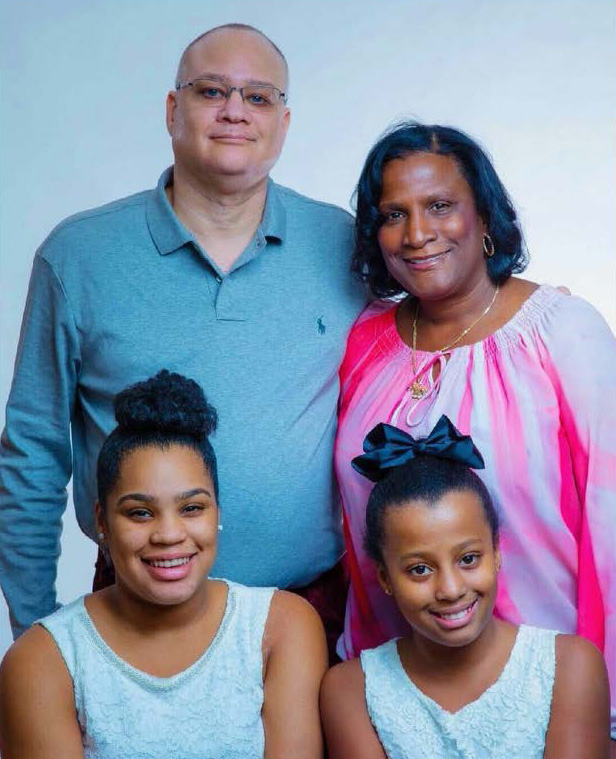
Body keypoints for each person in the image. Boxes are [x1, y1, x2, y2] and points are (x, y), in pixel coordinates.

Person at [0, 23, 366, 648]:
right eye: (211, 90)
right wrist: (36, 632)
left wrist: (517, 298)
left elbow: (429, 337)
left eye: (258, 97)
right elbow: (32, 455)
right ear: (173, 110)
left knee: (310, 753)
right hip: (134, 608)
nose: (234, 111)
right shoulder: (78, 256)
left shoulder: (344, 245)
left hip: (311, 612)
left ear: (284, 120)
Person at [334, 122, 616, 759]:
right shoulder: (367, 339)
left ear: (484, 217)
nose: (416, 233)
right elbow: (356, 530)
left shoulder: (560, 332)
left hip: (550, 693)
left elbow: (611, 528)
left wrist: (607, 713)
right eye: (393, 215)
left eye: (440, 206)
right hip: (402, 699)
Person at [0, 370, 328, 759]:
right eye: (140, 512)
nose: (169, 535)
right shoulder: (42, 660)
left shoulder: (282, 627)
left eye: (192, 508)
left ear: (218, 512)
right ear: (102, 521)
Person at [322, 417, 610, 759]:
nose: (451, 588)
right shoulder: (350, 691)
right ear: (384, 578)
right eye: (420, 569)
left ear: (496, 552)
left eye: (469, 559)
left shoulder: (570, 667)